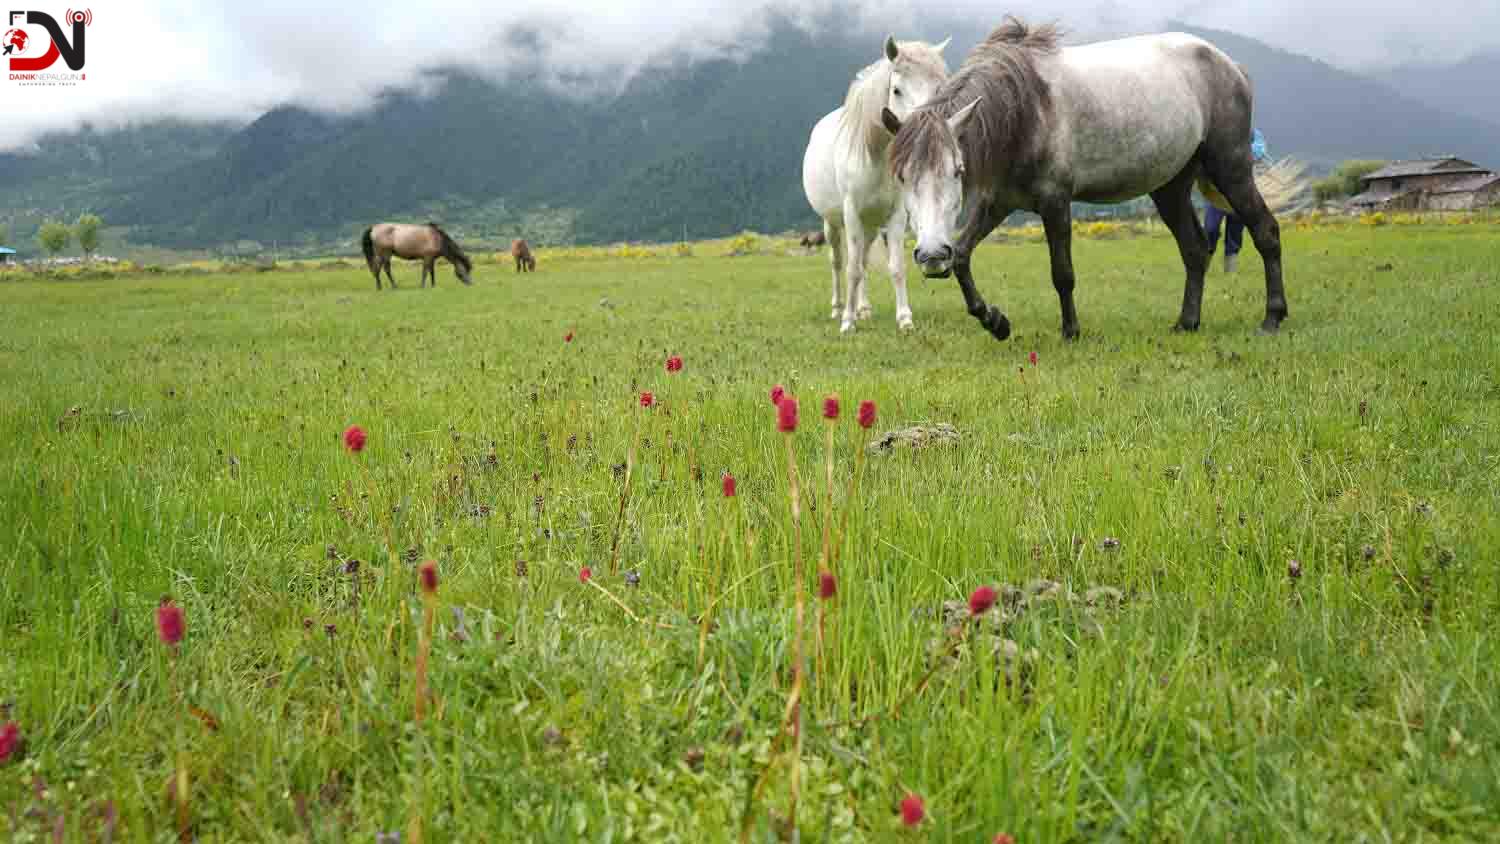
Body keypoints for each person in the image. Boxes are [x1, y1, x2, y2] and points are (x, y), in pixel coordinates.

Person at [1205, 129, 1268, 273]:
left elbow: (1260, 150)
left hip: (1241, 191)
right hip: (1217, 191)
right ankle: (1204, 266)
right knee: (1210, 228)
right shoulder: (1216, 130)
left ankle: (1230, 270)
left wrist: (1237, 152)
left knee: (1235, 231)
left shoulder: (1251, 132)